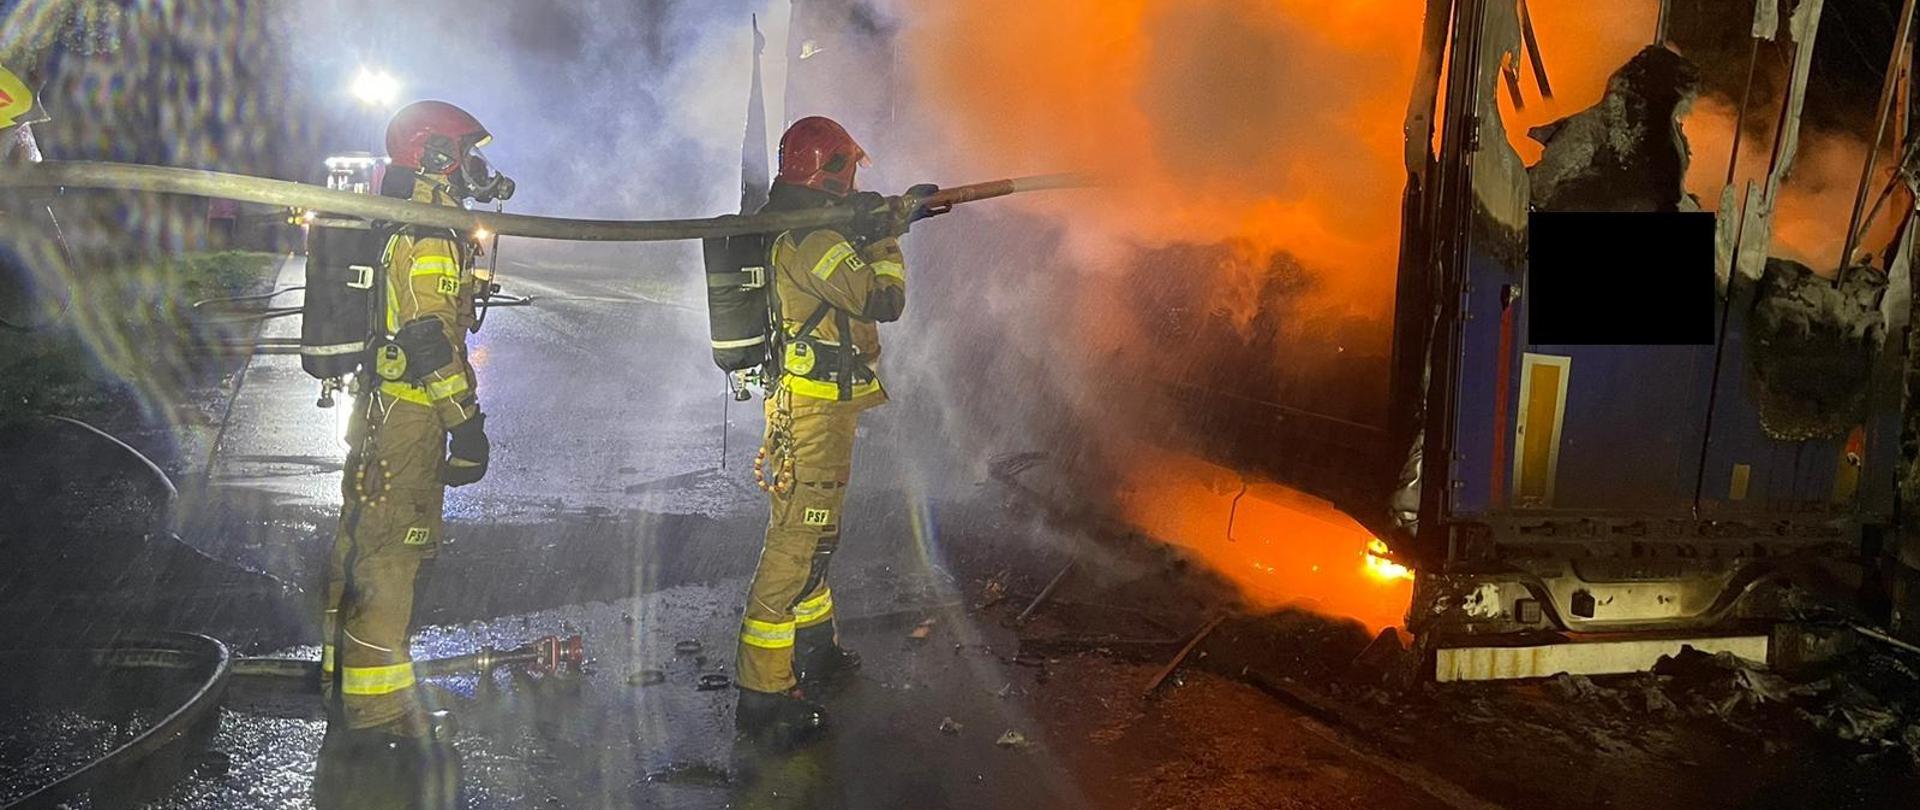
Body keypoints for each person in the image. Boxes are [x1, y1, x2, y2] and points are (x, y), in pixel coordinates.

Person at [315, 99, 509, 805]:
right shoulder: (429, 229)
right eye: (465, 152)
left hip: (386, 407)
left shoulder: (417, 217)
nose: (475, 168)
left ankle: (348, 682)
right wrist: (467, 421)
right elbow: (429, 336)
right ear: (434, 156)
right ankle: (373, 716)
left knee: (362, 542)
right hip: (413, 413)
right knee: (394, 552)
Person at [735, 115, 912, 747]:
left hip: (820, 404)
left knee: (818, 535)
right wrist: (887, 237)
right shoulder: (812, 239)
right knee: (795, 543)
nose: (854, 178)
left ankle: (815, 650)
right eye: (848, 168)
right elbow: (881, 301)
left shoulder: (815, 226)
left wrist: (865, 221)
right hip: (811, 411)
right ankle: (763, 692)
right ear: (828, 170)